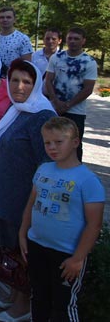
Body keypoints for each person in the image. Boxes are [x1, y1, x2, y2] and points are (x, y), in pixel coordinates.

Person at [0, 59, 56, 321]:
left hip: (26, 200)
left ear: (36, 84)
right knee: (11, 249)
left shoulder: (42, 115)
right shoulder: (17, 110)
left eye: (27, 82)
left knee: (24, 250)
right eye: (14, 80)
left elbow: (46, 165)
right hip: (7, 195)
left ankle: (23, 305)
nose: (19, 86)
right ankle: (12, 295)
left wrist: (31, 206)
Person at [19, 117, 105, 322]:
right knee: (38, 297)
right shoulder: (43, 170)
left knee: (63, 305)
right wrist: (23, 233)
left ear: (75, 142)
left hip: (66, 254)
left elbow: (94, 225)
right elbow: (32, 203)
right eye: (47, 142)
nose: (52, 147)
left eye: (59, 142)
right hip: (37, 246)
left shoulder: (87, 180)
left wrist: (77, 258)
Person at [45, 27, 97, 159]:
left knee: (74, 145)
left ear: (83, 41)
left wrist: (68, 105)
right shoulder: (56, 58)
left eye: (76, 39)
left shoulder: (89, 62)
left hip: (76, 111)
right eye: (70, 38)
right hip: (54, 108)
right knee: (51, 141)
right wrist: (55, 102)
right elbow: (49, 80)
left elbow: (88, 89)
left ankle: (76, 172)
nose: (72, 41)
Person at [0, 6, 33, 77]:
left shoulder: (23, 39)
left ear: (14, 19)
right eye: (1, 17)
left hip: (13, 79)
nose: (5, 20)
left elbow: (27, 64)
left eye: (8, 17)